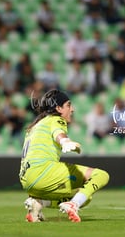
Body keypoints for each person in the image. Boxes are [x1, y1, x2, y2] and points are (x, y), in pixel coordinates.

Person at [19, 89, 110, 223]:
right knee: (101, 175)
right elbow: (58, 133)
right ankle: (72, 205)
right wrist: (65, 141)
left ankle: (38, 203)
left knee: (84, 196)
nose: (72, 109)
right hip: (44, 173)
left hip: (26, 180)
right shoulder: (56, 119)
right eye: (68, 105)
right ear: (58, 108)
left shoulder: (35, 126)